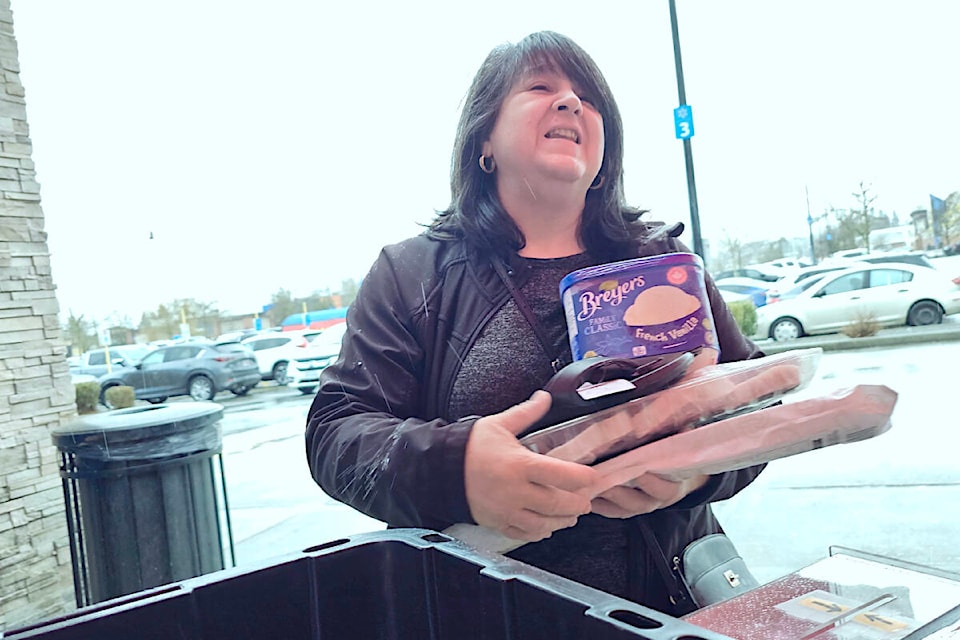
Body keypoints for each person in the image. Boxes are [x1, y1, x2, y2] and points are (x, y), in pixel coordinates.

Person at [305, 31, 764, 615]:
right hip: (482, 613)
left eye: (587, 97)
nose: (571, 102)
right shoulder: (411, 274)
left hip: (665, 609)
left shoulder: (665, 266)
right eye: (541, 87)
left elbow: (755, 407)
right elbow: (335, 429)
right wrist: (455, 467)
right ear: (484, 141)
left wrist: (696, 477)